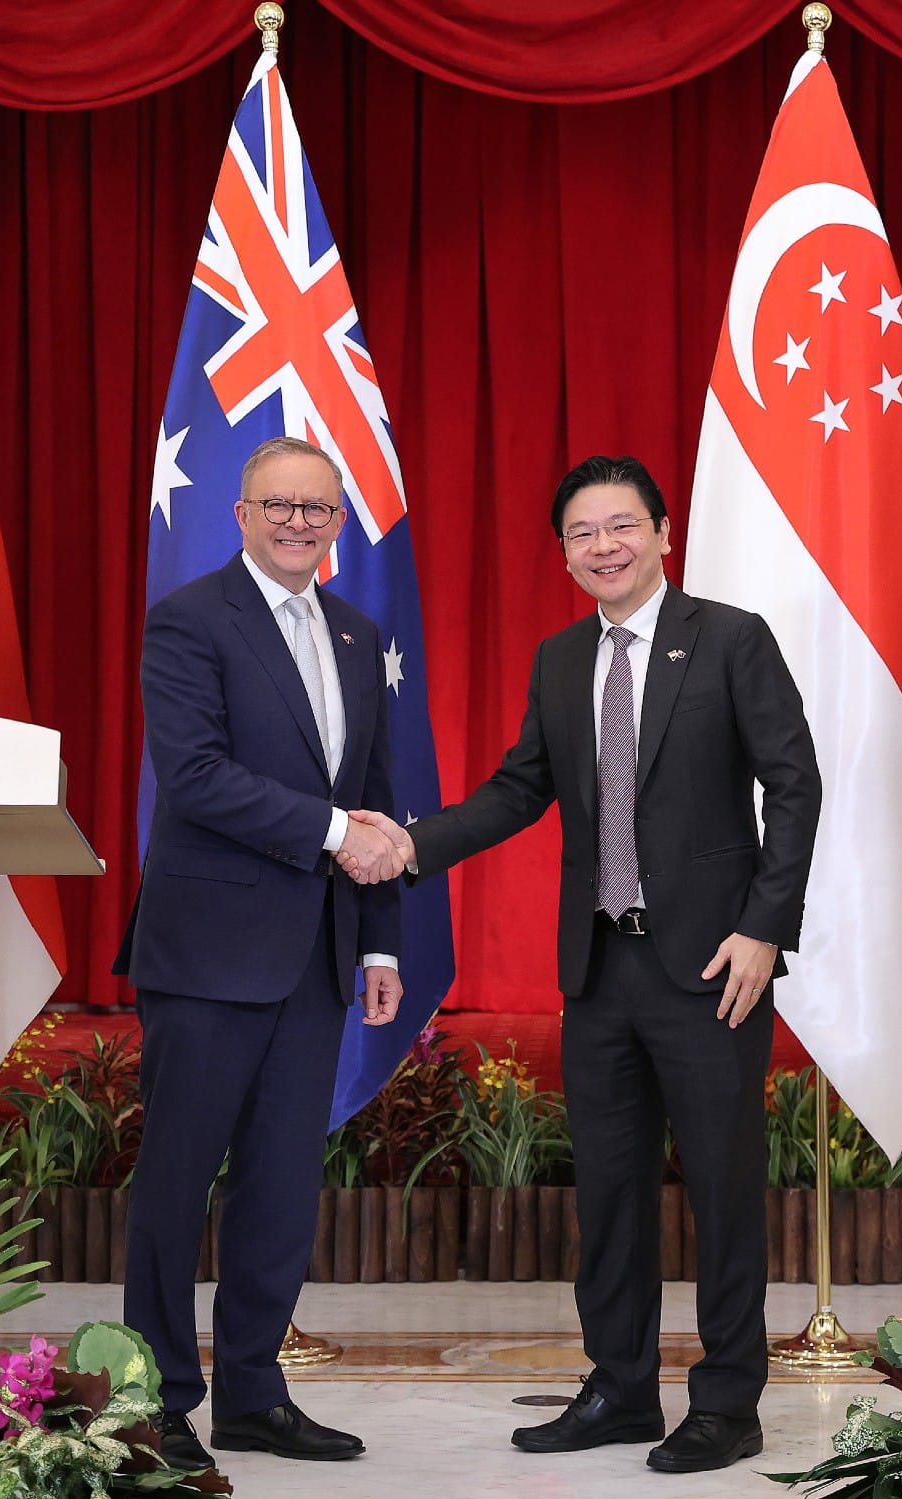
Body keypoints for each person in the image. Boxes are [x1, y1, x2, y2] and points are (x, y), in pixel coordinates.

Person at [348, 454, 821, 1474]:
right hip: (600, 971)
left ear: (661, 532)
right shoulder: (562, 659)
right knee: (608, 1192)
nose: (602, 546)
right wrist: (412, 842)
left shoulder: (730, 639)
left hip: (713, 970)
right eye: (581, 532)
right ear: (563, 551)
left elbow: (795, 781)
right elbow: (521, 788)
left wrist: (765, 924)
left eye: (620, 526)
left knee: (725, 1195)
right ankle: (618, 1387)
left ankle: (728, 1401)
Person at [116, 435, 411, 1472]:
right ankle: (152, 1400)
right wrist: (337, 835)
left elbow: (373, 787)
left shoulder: (356, 631)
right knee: (176, 1182)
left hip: (318, 960)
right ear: (240, 513)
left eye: (318, 509)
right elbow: (194, 777)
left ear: (339, 525)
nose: (298, 522)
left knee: (282, 1187)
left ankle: (251, 1390)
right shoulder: (190, 620)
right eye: (278, 504)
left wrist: (380, 939)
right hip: (206, 954)